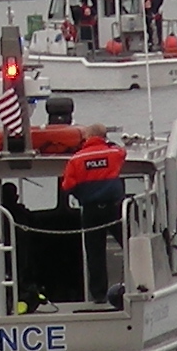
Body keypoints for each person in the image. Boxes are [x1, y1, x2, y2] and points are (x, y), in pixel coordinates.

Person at [59, 123, 129, 302]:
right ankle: (139, 283)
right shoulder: (114, 153)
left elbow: (67, 186)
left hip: (91, 211)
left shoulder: (76, 159)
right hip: (114, 209)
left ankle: (98, 295)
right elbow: (122, 153)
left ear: (88, 137)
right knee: (130, 246)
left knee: (95, 254)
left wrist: (83, 190)